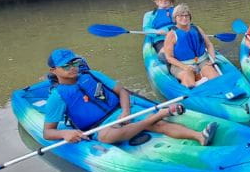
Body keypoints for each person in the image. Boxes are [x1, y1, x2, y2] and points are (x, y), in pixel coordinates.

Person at [42, 48, 215, 146]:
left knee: (160, 125)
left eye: (74, 62)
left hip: (121, 112)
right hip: (98, 127)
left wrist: (125, 111)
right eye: (66, 66)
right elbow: (48, 132)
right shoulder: (57, 97)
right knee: (106, 137)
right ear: (54, 70)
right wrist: (65, 133)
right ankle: (159, 114)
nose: (73, 68)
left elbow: (122, 92)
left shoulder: (92, 75)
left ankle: (199, 136)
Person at [163, 4, 220, 87]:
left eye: (186, 15)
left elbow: (209, 44)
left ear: (190, 17)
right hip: (181, 64)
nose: (184, 18)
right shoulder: (171, 34)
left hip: (202, 60)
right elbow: (169, 58)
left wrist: (212, 58)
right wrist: (185, 67)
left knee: (214, 77)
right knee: (189, 81)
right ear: (175, 18)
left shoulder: (197, 29)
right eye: (180, 16)